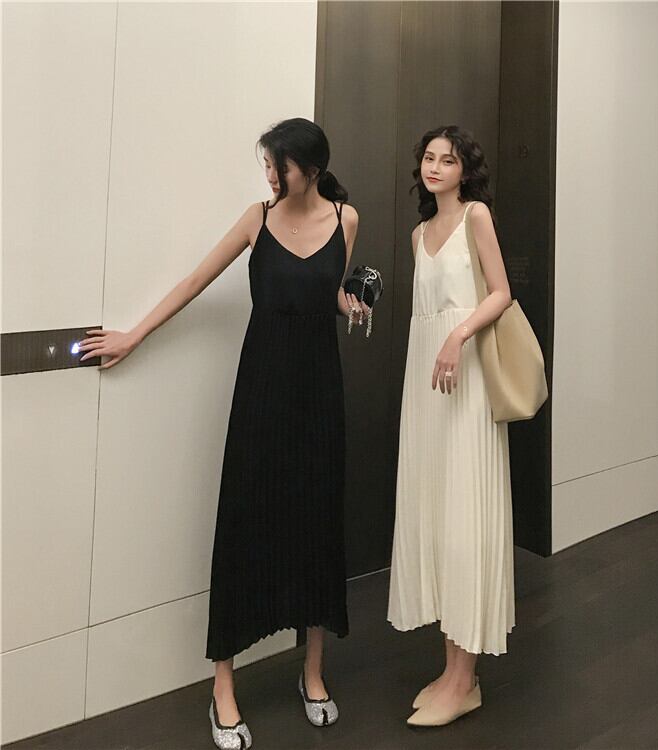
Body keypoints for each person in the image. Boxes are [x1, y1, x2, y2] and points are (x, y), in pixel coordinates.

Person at [80, 117, 368, 749]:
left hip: (319, 391)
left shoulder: (345, 219)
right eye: (266, 164)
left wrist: (350, 303)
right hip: (262, 387)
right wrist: (134, 334)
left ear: (310, 170)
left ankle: (312, 673)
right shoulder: (255, 220)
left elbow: (331, 291)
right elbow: (194, 282)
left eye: (277, 166)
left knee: (317, 518)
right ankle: (223, 686)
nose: (269, 175)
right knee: (246, 518)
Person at [387, 125, 514, 727]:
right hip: (426, 382)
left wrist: (458, 336)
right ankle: (451, 670)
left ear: (466, 170)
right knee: (437, 511)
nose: (436, 167)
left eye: (448, 159)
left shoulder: (475, 217)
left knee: (466, 512)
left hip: (465, 378)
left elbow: (501, 293)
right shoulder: (418, 235)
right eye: (429, 158)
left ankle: (465, 680)